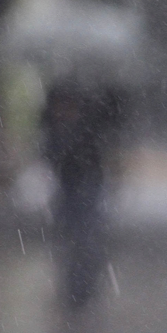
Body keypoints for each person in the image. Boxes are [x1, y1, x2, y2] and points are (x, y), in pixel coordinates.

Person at [40, 80, 126, 309]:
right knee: (70, 227)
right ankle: (74, 283)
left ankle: (83, 285)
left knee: (86, 228)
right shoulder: (58, 90)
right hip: (67, 172)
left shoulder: (105, 92)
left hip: (88, 171)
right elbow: (45, 127)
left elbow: (114, 125)